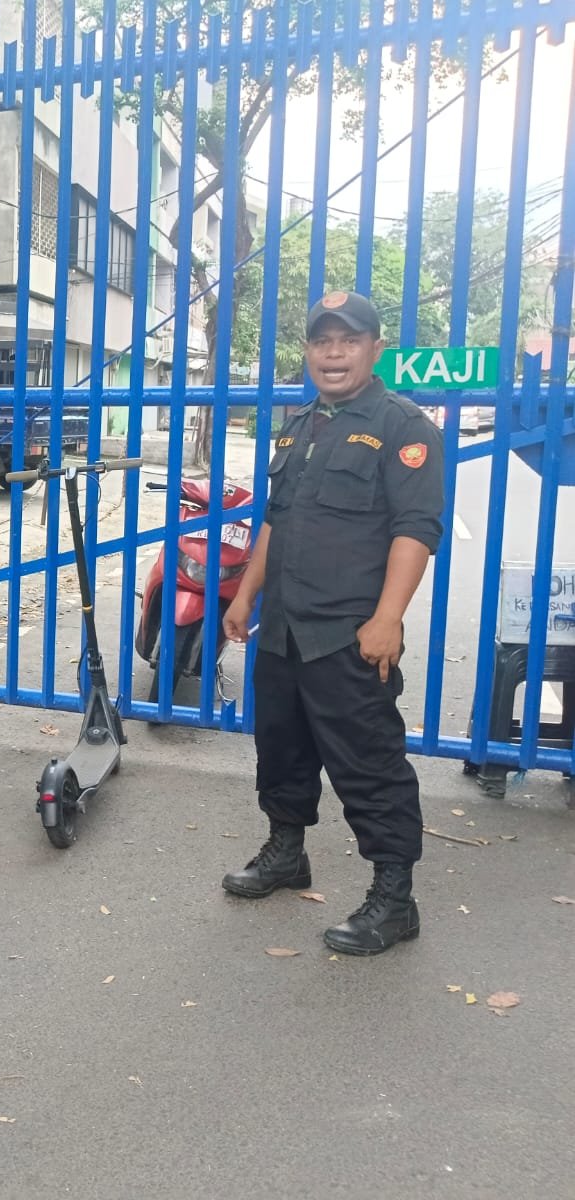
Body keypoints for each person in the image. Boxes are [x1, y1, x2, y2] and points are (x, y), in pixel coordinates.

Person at [222, 291, 444, 956]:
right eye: (322, 341)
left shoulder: (403, 427)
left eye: (348, 340)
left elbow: (416, 529)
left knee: (368, 763)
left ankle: (394, 900)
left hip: (348, 633)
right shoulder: (299, 426)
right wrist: (245, 596)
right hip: (284, 627)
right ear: (308, 352)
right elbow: (276, 520)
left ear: (375, 350)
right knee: (281, 748)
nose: (334, 353)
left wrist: (388, 618)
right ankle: (287, 853)